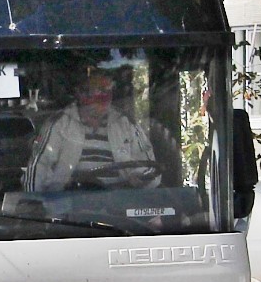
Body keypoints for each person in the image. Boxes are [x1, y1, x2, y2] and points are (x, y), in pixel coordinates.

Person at [25, 68, 160, 191]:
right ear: (81, 93)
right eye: (99, 91)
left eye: (108, 91)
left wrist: (141, 179)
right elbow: (38, 168)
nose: (105, 98)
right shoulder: (59, 124)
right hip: (69, 207)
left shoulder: (126, 124)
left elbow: (149, 168)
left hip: (120, 205)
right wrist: (35, 204)